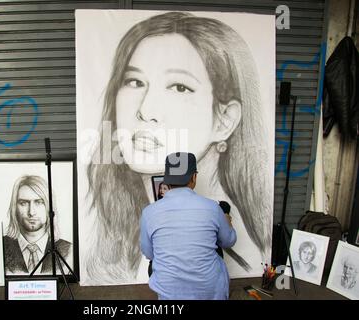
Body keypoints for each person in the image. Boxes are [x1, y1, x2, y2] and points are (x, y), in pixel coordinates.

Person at [85, 11, 272, 283]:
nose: (146, 111)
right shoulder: (114, 236)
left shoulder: (248, 259)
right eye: (135, 82)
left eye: (179, 87)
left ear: (225, 120)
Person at [140, 152, 236, 299]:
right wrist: (227, 221)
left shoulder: (149, 212)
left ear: (167, 180)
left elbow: (149, 254)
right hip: (210, 291)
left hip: (169, 292)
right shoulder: (212, 208)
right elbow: (228, 241)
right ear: (194, 177)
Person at [3, 175, 71, 275]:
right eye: (23, 203)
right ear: (14, 208)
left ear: (49, 207)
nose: (31, 212)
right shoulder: (1, 248)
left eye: (39, 202)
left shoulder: (68, 251)